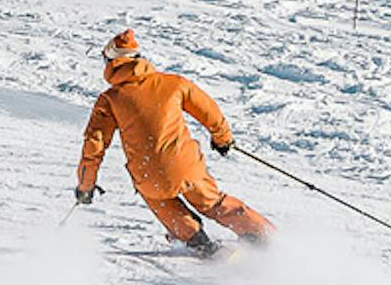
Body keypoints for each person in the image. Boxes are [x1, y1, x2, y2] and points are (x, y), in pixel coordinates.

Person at [75, 29, 274, 256]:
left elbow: (94, 145)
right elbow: (209, 111)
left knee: (161, 202)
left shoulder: (109, 99)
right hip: (185, 166)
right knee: (213, 203)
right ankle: (263, 235)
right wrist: (223, 139)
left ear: (111, 62)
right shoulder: (173, 83)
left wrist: (86, 185)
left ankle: (200, 244)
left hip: (148, 173)